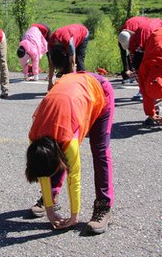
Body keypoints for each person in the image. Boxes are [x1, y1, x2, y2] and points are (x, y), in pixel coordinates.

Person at [25, 72, 114, 235]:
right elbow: (43, 174)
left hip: (99, 89)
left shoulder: (68, 141)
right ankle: (50, 198)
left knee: (100, 151)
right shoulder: (35, 140)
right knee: (50, 159)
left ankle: (104, 205)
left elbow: (75, 177)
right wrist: (50, 211)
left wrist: (74, 216)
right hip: (72, 90)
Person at [118, 16, 162, 100]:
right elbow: (132, 60)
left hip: (157, 35)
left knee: (154, 66)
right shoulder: (124, 35)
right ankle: (143, 90)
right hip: (142, 35)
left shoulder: (142, 35)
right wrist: (128, 69)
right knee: (138, 66)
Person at [47, 24, 89, 89]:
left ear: (64, 53)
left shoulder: (69, 44)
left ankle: (84, 86)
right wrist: (50, 83)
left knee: (79, 60)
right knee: (66, 67)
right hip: (69, 36)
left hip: (82, 33)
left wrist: (73, 87)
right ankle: (66, 85)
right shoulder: (50, 45)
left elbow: (72, 65)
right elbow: (51, 64)